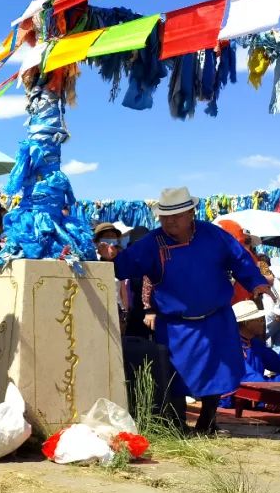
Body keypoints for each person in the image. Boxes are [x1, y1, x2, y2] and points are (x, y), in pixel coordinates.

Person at [113, 187, 271, 436]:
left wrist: (256, 281)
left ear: (190, 213)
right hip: (176, 325)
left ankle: (207, 422)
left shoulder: (214, 235)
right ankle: (176, 426)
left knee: (219, 372)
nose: (170, 221)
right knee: (174, 374)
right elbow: (120, 266)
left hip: (217, 319)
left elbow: (239, 259)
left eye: (176, 215)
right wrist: (99, 261)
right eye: (164, 216)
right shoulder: (152, 243)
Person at [232, 300, 280, 384]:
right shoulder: (231, 348)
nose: (263, 322)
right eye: (259, 320)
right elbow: (251, 379)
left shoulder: (255, 344)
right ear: (246, 323)